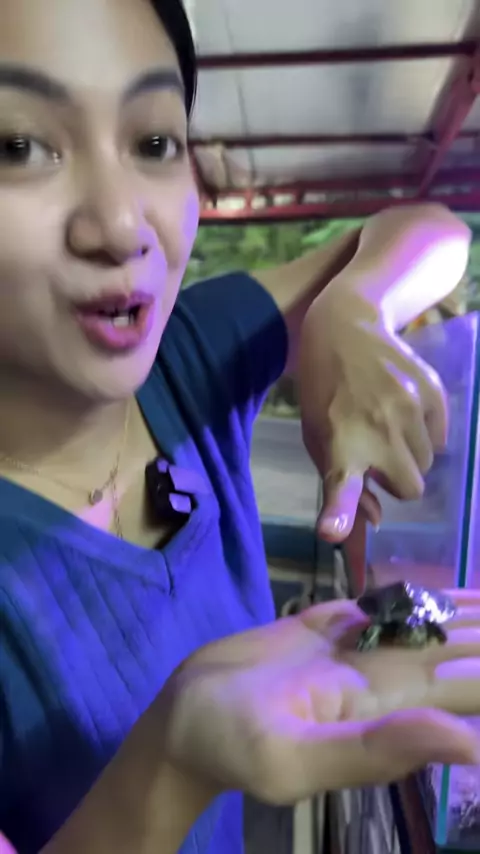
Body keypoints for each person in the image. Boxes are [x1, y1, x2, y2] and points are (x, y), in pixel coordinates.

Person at [2, 1, 480, 853]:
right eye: (18, 147)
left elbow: (432, 233)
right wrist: (171, 764)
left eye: (155, 141)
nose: (121, 226)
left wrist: (352, 309)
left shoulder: (188, 360)